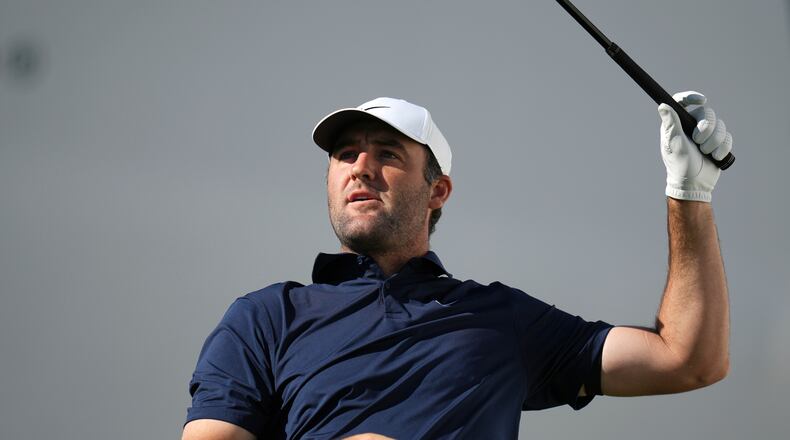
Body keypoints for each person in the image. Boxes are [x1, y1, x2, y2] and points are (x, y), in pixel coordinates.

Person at [182, 93, 732, 440]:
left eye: (388, 154)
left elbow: (688, 359)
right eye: (345, 155)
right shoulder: (266, 318)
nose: (360, 168)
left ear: (437, 190)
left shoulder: (499, 318)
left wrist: (689, 191)